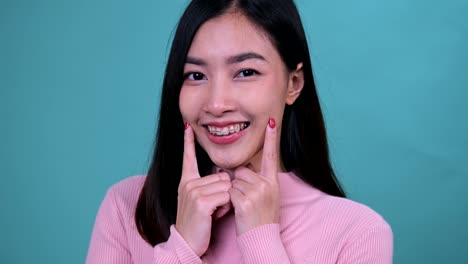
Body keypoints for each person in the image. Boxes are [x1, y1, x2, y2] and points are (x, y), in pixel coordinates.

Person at [86, 0, 393, 263]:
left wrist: (261, 242)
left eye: (246, 72)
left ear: (293, 84)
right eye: (195, 75)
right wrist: (182, 248)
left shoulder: (357, 232)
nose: (217, 104)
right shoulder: (127, 207)